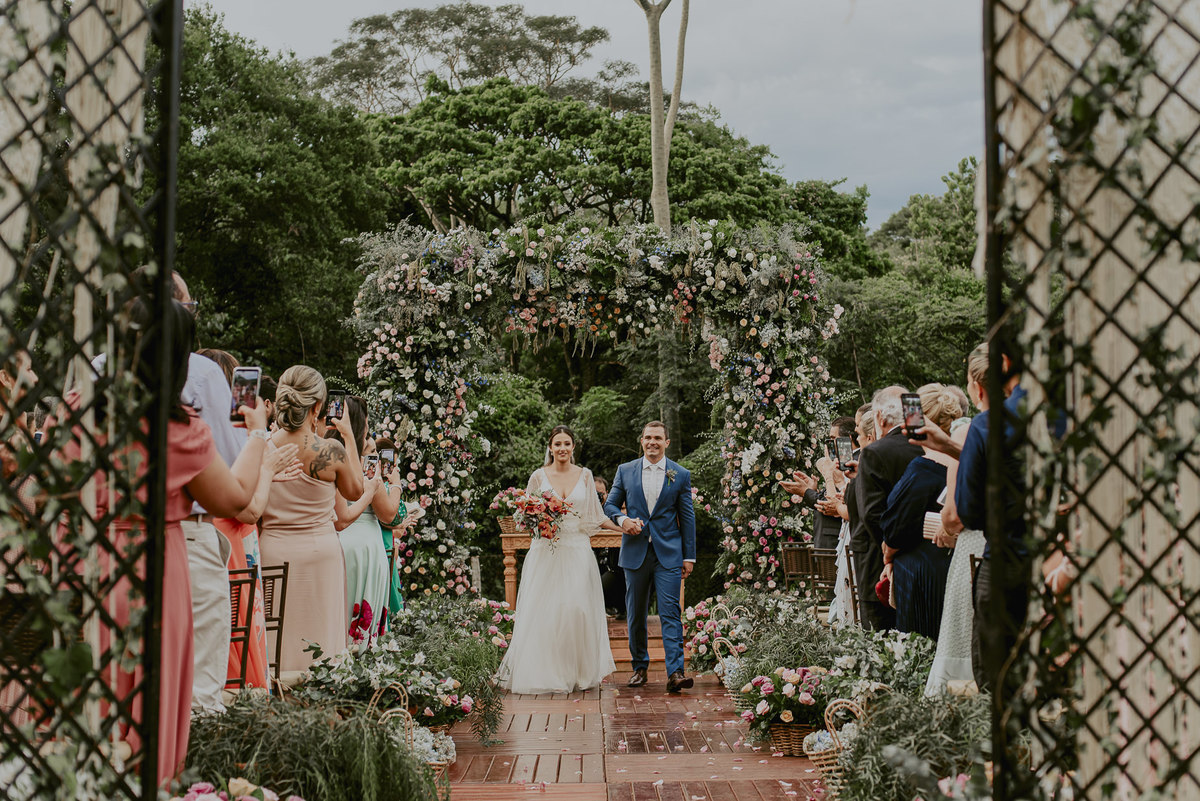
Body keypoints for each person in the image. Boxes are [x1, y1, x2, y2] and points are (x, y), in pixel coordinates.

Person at [78, 298, 268, 784]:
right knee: (163, 713)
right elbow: (238, 497)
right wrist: (259, 436)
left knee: (93, 707)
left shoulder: (79, 410)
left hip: (90, 566)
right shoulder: (177, 427)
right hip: (160, 570)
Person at [495, 426, 619, 693]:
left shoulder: (585, 476)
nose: (562, 448)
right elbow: (524, 518)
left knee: (577, 610)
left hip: (577, 549)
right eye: (557, 444)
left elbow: (595, 516)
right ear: (550, 448)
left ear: (573, 447)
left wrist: (623, 527)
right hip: (546, 551)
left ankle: (576, 673)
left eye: (567, 443)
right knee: (547, 611)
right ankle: (546, 673)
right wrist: (538, 519)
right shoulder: (538, 477)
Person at [259, 366, 364, 670]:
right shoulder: (329, 451)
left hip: (273, 555)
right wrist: (348, 437)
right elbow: (356, 490)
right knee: (321, 645)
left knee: (275, 642)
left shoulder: (262, 448)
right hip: (321, 558)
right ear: (317, 406)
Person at [605, 421, 697, 693]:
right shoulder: (626, 471)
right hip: (635, 552)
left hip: (668, 554)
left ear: (667, 442)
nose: (652, 442)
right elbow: (609, 504)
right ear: (641, 441)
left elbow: (687, 517)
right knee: (635, 614)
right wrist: (623, 520)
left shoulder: (679, 474)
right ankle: (639, 668)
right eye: (648, 438)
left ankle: (676, 673)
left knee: (671, 613)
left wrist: (688, 556)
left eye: (658, 438)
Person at [925, 344, 989, 694]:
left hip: (976, 550)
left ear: (977, 388)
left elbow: (955, 514)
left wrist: (948, 528)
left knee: (967, 646)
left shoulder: (977, 430)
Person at [880, 384, 961, 639]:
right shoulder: (963, 462)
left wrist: (888, 557)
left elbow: (896, 529)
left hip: (922, 575)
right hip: (953, 568)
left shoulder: (922, 468)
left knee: (921, 646)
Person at [852, 387, 923, 630]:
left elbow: (872, 514)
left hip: (882, 562)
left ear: (880, 417)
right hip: (928, 554)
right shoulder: (930, 446)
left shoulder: (874, 452)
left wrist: (890, 552)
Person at [330, 396, 392, 640]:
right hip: (365, 545)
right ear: (360, 424)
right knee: (363, 627)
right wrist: (394, 484)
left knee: (340, 617)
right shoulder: (367, 462)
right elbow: (387, 514)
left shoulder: (326, 451)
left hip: (337, 544)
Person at [594, 474, 626, 619]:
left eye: (601, 493)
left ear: (607, 493)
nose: (598, 497)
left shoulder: (614, 510)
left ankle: (619, 607)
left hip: (614, 567)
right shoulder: (580, 511)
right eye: (594, 493)